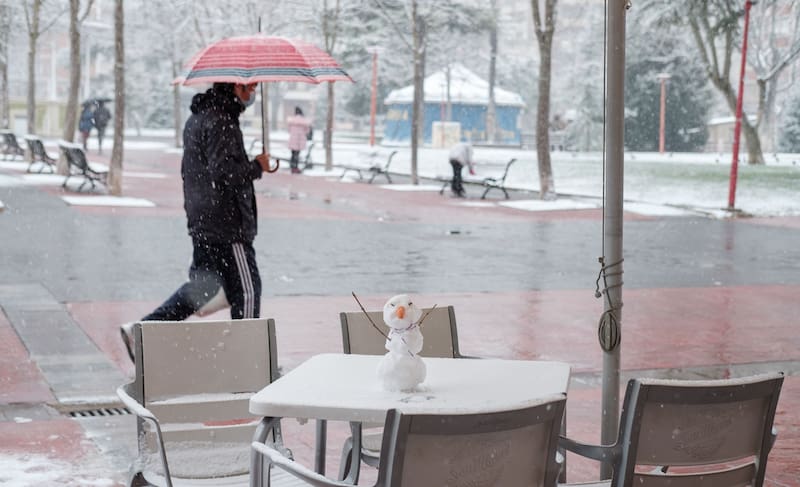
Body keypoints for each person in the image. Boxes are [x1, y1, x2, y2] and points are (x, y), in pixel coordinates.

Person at [120, 82, 271, 361]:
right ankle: (249, 359)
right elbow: (224, 173)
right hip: (227, 224)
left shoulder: (198, 118)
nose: (252, 92)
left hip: (204, 219)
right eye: (250, 87)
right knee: (248, 290)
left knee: (205, 288)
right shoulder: (222, 120)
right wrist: (257, 166)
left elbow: (204, 170)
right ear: (235, 86)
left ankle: (142, 332)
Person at [286, 106, 311, 174]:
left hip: (293, 140)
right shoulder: (304, 121)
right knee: (297, 154)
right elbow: (307, 131)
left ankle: (292, 167)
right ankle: (295, 168)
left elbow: (289, 130)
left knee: (293, 154)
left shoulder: (292, 121)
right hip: (300, 140)